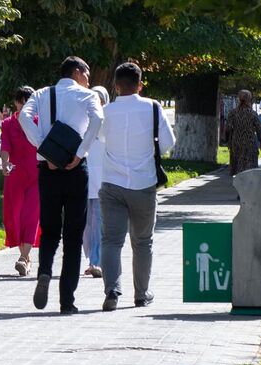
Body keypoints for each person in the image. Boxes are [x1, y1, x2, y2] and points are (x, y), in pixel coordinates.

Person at [16, 56, 104, 314]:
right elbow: (97, 121)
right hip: (77, 169)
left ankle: (44, 272)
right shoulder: (87, 96)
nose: (88, 79)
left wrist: (43, 146)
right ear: (77, 72)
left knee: (51, 228)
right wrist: (80, 151)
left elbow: (24, 116)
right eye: (87, 73)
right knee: (74, 235)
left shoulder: (43, 93)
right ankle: (67, 300)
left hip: (48, 168)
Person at [97, 62, 176, 309]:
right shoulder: (153, 108)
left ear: (116, 85)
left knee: (111, 240)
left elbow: (100, 138)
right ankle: (141, 294)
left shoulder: (106, 111)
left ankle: (112, 290)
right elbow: (167, 143)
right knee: (142, 241)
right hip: (144, 185)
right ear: (140, 85)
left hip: (112, 184)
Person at [0, 86, 40, 276]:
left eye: (28, 102)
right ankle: (25, 256)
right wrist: (5, 163)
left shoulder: (39, 123)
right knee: (15, 216)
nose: (24, 106)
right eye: (21, 101)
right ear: (16, 103)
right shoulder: (8, 124)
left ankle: (23, 258)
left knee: (31, 216)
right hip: (15, 176)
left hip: (36, 175)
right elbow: (5, 147)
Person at [82, 85, 110, 279]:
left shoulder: (108, 123)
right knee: (85, 226)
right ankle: (90, 259)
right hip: (83, 181)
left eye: (100, 99)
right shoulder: (83, 123)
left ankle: (96, 261)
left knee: (99, 222)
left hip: (102, 183)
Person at [223, 89, 260, 175]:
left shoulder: (233, 112)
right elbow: (259, 129)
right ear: (249, 99)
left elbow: (228, 128)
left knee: (237, 166)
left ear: (239, 99)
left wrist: (228, 141)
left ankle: (239, 185)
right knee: (250, 168)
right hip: (250, 143)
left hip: (236, 142)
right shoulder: (253, 113)